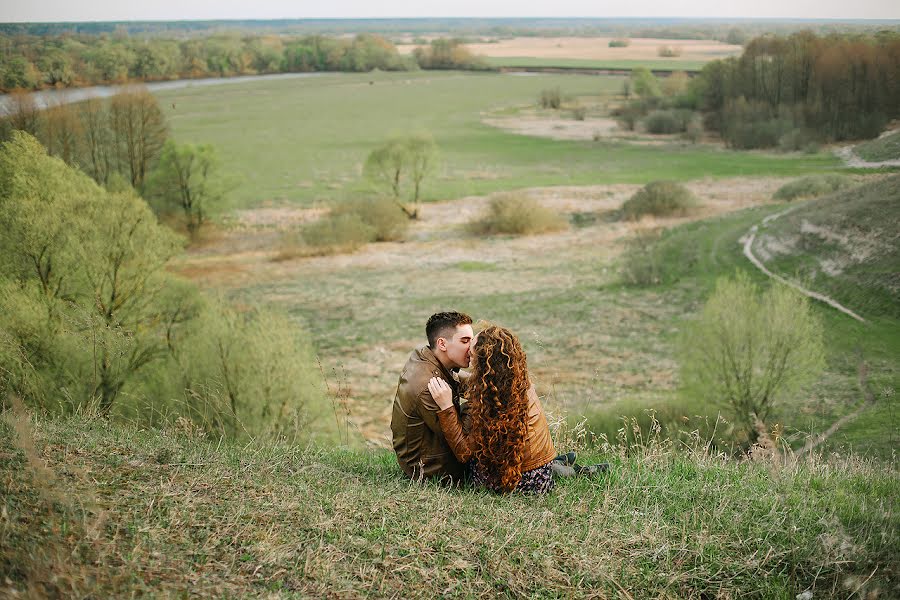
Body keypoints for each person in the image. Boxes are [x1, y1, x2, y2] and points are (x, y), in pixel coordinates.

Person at [427, 325, 558, 494]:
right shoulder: (514, 378)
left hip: (523, 480)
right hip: (541, 469)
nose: (467, 353)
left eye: (471, 354)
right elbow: (481, 386)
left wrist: (446, 407)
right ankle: (561, 466)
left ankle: (563, 467)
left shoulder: (494, 404)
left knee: (472, 463)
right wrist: (452, 376)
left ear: (483, 364)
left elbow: (464, 453)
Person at [391, 311, 474, 482]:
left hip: (430, 453)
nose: (472, 348)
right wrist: (479, 402)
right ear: (442, 344)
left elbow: (456, 378)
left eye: (472, 340)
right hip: (431, 469)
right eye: (465, 341)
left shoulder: (428, 355)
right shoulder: (428, 386)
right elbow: (458, 440)